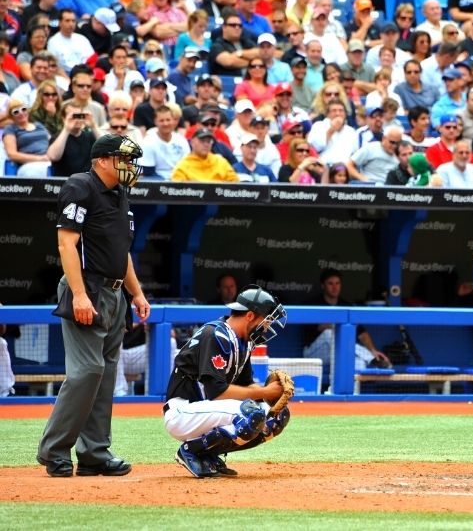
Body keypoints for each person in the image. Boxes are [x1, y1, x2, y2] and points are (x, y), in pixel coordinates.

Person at [37, 134, 151, 478]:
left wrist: (138, 293)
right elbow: (66, 243)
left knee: (105, 377)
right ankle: (54, 451)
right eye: (123, 159)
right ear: (102, 160)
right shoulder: (80, 186)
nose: (130, 166)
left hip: (115, 293)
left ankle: (94, 454)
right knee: (87, 372)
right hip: (87, 288)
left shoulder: (120, 193)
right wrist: (80, 294)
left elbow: (122, 252)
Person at [164, 285, 292, 478]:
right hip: (183, 412)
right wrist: (265, 393)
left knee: (276, 417)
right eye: (265, 321)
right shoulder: (215, 335)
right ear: (250, 315)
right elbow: (217, 393)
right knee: (253, 414)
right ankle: (191, 451)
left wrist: (271, 393)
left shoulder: (244, 342)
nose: (266, 327)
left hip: (206, 411)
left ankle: (208, 454)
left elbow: (245, 387)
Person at [302, 268, 391, 377]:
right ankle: (372, 359)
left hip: (338, 353)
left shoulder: (346, 305)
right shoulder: (314, 303)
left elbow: (361, 332)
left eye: (337, 283)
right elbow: (322, 327)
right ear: (323, 286)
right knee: (330, 333)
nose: (334, 287)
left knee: (359, 362)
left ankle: (354, 392)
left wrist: (372, 350)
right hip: (315, 354)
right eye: (330, 283)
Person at [47, 101, 102, 178]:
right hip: (65, 182)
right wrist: (66, 129)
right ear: (63, 118)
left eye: (80, 115)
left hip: (87, 182)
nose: (77, 119)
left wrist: (94, 126)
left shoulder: (90, 136)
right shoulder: (57, 138)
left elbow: (109, 149)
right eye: (74, 116)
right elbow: (53, 157)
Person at [172, 128, 239, 183]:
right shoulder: (183, 166)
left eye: (209, 141)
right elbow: (177, 192)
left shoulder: (220, 162)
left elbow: (234, 184)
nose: (206, 144)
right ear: (192, 142)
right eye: (202, 141)